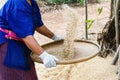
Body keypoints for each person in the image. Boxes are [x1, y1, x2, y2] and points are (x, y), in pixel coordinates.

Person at [0, 0, 62, 80]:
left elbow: (38, 25)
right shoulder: (17, 3)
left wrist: (55, 37)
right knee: (16, 74)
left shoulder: (32, 3)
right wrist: (44, 55)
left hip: (21, 41)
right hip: (8, 44)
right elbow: (26, 36)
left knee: (28, 72)